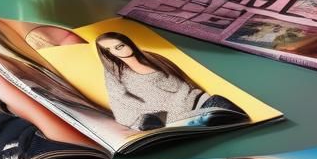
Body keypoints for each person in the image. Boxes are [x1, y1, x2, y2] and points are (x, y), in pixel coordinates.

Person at [94, 32, 248, 131]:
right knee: (158, 124)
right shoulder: (114, 74)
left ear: (127, 42)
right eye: (111, 49)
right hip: (155, 115)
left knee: (226, 107)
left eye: (120, 45)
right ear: (108, 54)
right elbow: (120, 99)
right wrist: (147, 111)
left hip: (188, 101)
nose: (118, 50)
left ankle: (200, 118)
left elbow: (177, 83)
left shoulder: (153, 58)